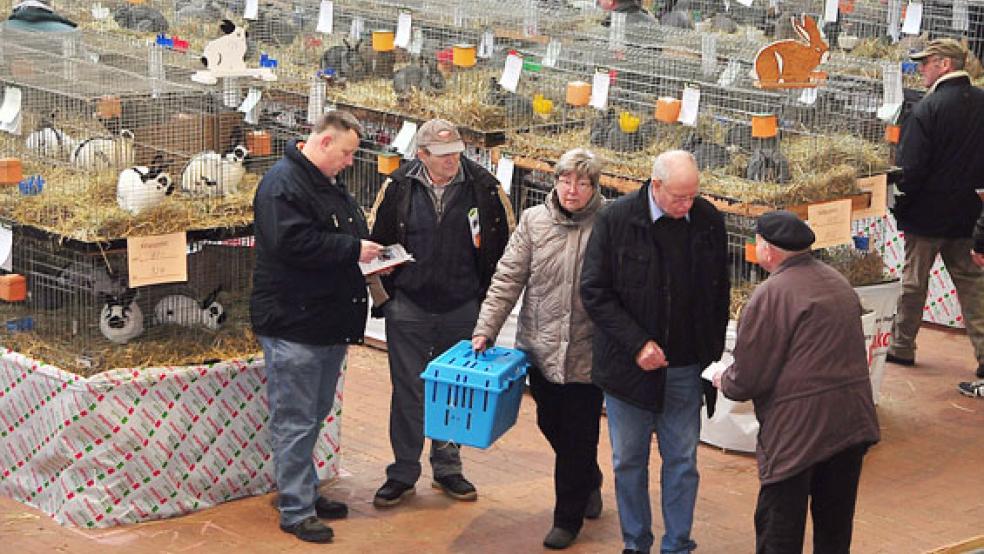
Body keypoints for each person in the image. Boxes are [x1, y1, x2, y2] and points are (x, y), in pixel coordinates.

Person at [580, 150, 730, 554]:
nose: (688, 206)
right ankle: (636, 542)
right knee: (628, 462)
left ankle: (678, 544)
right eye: (680, 198)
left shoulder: (708, 221)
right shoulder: (616, 220)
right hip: (628, 371)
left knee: (682, 463)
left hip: (685, 368)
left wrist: (710, 354)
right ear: (656, 185)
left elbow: (720, 293)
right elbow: (594, 291)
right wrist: (637, 344)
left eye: (693, 196)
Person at [368, 118, 515, 508]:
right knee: (409, 391)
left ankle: (448, 468)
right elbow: (373, 244)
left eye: (457, 154)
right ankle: (402, 471)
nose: (452, 161)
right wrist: (387, 300)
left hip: (463, 307)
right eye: (443, 155)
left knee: (455, 391)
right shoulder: (398, 187)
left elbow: (507, 250)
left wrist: (487, 309)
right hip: (409, 309)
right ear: (422, 155)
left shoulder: (485, 188)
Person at [250, 111, 382, 543]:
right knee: (296, 419)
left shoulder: (324, 183)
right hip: (295, 323)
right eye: (346, 153)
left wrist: (366, 252)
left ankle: (303, 489)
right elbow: (292, 243)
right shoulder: (282, 185)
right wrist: (353, 250)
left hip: (323, 322)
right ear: (324, 142)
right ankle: (295, 508)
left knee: (314, 415)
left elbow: (339, 232)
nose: (349, 162)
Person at [715, 210, 881, 554]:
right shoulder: (837, 282)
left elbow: (749, 375)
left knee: (780, 530)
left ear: (768, 248)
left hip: (799, 432)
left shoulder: (771, 293)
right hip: (852, 424)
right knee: (834, 530)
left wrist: (724, 380)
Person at [472, 148, 606, 550]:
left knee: (579, 434)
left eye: (582, 182)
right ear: (556, 182)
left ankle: (567, 519)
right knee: (551, 423)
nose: (572, 189)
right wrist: (485, 330)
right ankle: (589, 478)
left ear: (594, 187)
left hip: (589, 352)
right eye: (566, 180)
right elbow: (507, 280)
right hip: (541, 347)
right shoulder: (533, 221)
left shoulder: (611, 224)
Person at [888, 38, 984, 384]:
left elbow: (911, 168)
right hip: (969, 215)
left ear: (944, 64)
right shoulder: (981, 102)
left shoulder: (927, 109)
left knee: (914, 283)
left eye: (925, 63)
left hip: (926, 215)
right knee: (973, 285)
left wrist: (903, 205)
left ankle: (901, 345)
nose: (921, 69)